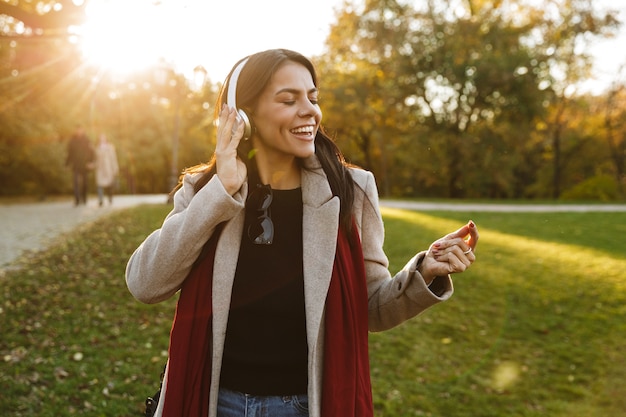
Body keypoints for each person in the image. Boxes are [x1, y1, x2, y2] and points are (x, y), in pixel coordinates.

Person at [125, 49, 479, 417]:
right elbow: (145, 284)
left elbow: (370, 308)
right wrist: (222, 192)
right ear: (245, 115)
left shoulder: (352, 190)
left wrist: (424, 272)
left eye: (313, 97)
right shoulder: (205, 189)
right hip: (214, 403)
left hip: (305, 406)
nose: (310, 110)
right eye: (288, 99)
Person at [66, 124, 94, 206]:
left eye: (80, 129)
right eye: (77, 129)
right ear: (75, 130)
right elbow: (69, 153)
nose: (78, 131)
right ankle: (77, 199)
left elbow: (91, 151)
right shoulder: (72, 140)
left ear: (83, 130)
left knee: (85, 183)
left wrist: (91, 162)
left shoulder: (87, 140)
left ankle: (84, 198)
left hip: (85, 164)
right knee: (75, 182)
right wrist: (67, 163)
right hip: (76, 164)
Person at [94, 133, 119, 206]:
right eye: (100, 138)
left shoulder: (110, 147)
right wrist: (93, 165)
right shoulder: (97, 148)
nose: (102, 139)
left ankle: (110, 197)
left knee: (109, 184)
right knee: (99, 184)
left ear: (106, 139)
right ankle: (100, 199)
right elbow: (96, 160)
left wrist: (115, 168)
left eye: (103, 138)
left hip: (108, 168)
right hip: (100, 169)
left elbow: (113, 158)